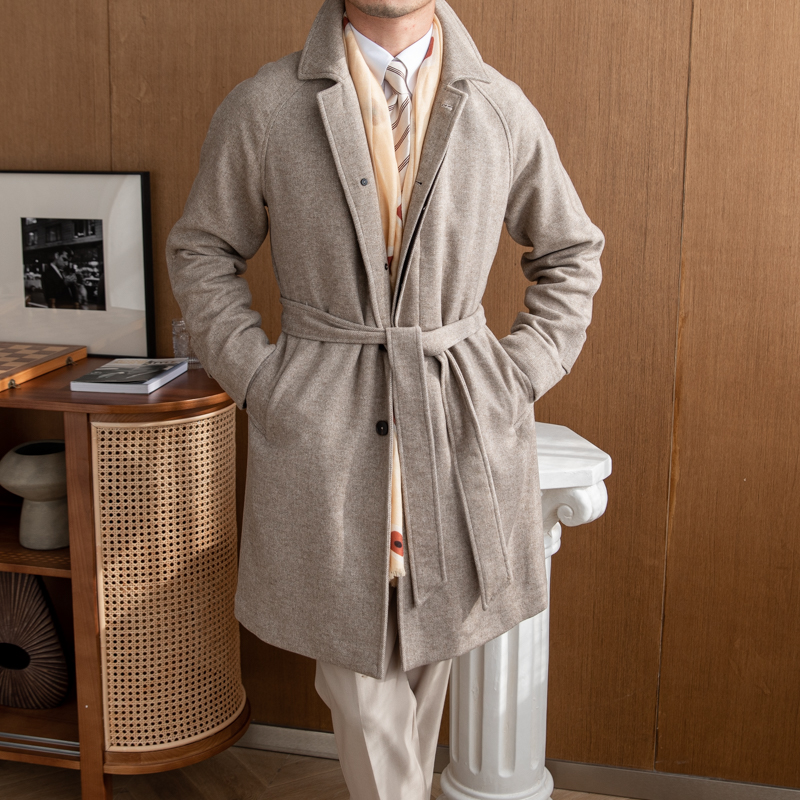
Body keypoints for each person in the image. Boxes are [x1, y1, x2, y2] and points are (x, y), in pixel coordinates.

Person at [167, 1, 603, 798]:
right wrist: (262, 380)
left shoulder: (498, 106)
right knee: (359, 682)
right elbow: (201, 250)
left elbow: (571, 252)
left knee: (431, 656)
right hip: (325, 426)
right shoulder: (268, 106)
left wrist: (514, 376)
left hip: (455, 419)